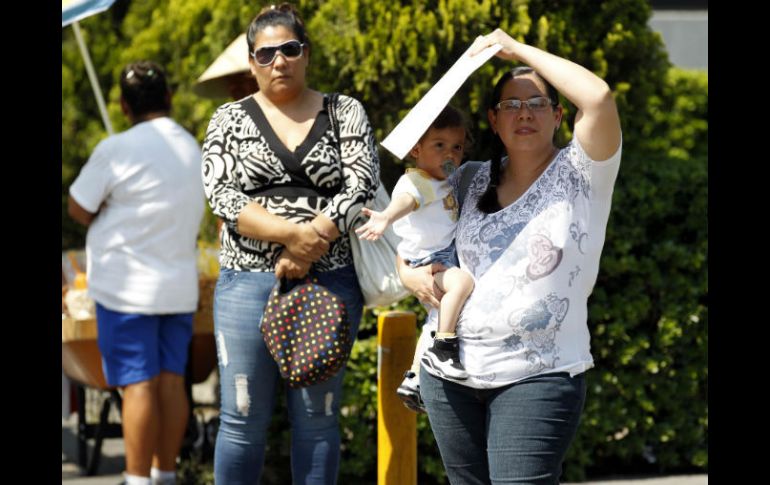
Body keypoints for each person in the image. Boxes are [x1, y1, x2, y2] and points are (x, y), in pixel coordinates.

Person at [397, 28, 622, 484]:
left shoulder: (583, 172)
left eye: (536, 103)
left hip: (540, 375)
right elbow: (414, 234)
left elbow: (598, 98)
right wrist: (407, 274)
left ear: (558, 115)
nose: (523, 113)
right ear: (493, 120)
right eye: (511, 105)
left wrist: (515, 49)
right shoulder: (467, 178)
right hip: (450, 375)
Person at [200, 3, 379, 483]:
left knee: (318, 419)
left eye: (290, 49)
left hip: (329, 280)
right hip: (246, 283)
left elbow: (361, 183)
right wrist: (294, 237)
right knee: (241, 417)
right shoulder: (227, 118)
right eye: (266, 53)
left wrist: (312, 242)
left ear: (306, 53)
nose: (279, 61)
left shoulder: (344, 111)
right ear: (251, 61)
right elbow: (221, 194)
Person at [68, 61, 205, 485]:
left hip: (126, 290)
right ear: (168, 97)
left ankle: (137, 479)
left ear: (124, 106)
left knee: (137, 384)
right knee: (172, 382)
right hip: (179, 288)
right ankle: (164, 474)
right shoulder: (191, 147)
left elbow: (78, 207)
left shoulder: (116, 149)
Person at [355, 105, 475, 408]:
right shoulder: (418, 182)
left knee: (436, 316)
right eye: (439, 145)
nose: (450, 155)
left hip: (441, 255)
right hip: (429, 260)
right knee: (461, 285)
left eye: (457, 147)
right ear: (416, 150)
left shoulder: (445, 181)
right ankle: (444, 347)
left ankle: (415, 377)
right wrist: (386, 217)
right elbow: (407, 201)